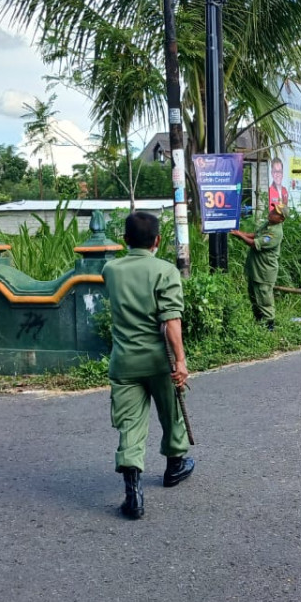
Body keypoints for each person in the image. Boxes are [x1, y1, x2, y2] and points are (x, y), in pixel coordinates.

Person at [101, 211, 194, 520]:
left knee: (129, 424)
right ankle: (175, 466)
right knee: (171, 413)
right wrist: (180, 362)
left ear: (125, 239)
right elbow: (171, 321)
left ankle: (133, 494)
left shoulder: (110, 270)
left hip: (124, 361)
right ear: (157, 240)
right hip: (160, 360)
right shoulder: (166, 271)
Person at [231, 203, 286, 330]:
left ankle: (269, 327)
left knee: (264, 300)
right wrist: (240, 233)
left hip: (264, 272)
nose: (271, 212)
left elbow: (255, 243)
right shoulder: (268, 225)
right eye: (273, 210)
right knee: (254, 297)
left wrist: (240, 235)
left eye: (276, 213)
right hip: (256, 270)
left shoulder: (275, 232)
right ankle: (258, 323)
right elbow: (255, 235)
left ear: (281, 219)